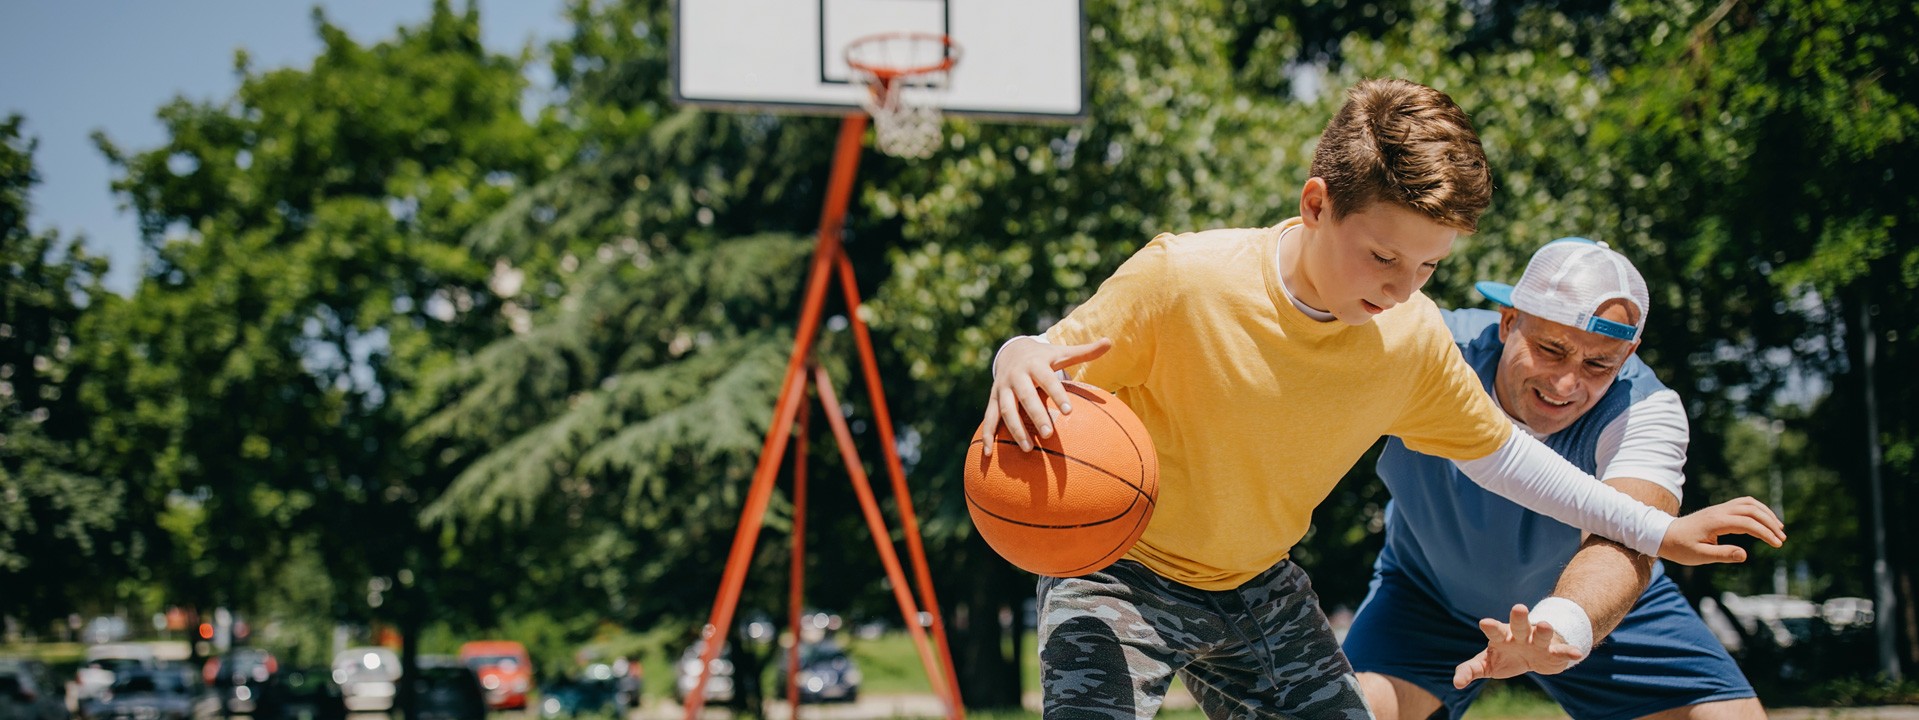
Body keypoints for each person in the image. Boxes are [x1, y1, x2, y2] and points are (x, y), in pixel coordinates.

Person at [981, 78, 1784, 719]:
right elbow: (1053, 357)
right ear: (1315, 202)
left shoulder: (1409, 338)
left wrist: (1658, 528)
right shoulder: (1183, 280)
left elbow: (1507, 461)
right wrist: (1014, 355)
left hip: (1255, 583)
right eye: (1383, 258)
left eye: (1428, 269)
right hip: (1120, 572)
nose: (1402, 288)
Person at [1345, 238, 1764, 720]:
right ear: (1508, 320)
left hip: (1602, 613)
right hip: (1426, 596)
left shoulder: (1647, 410)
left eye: (1598, 364)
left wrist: (1561, 625)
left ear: (1628, 355)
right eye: (1550, 349)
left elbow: (1623, 544)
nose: (1566, 384)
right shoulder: (1433, 348)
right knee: (1348, 713)